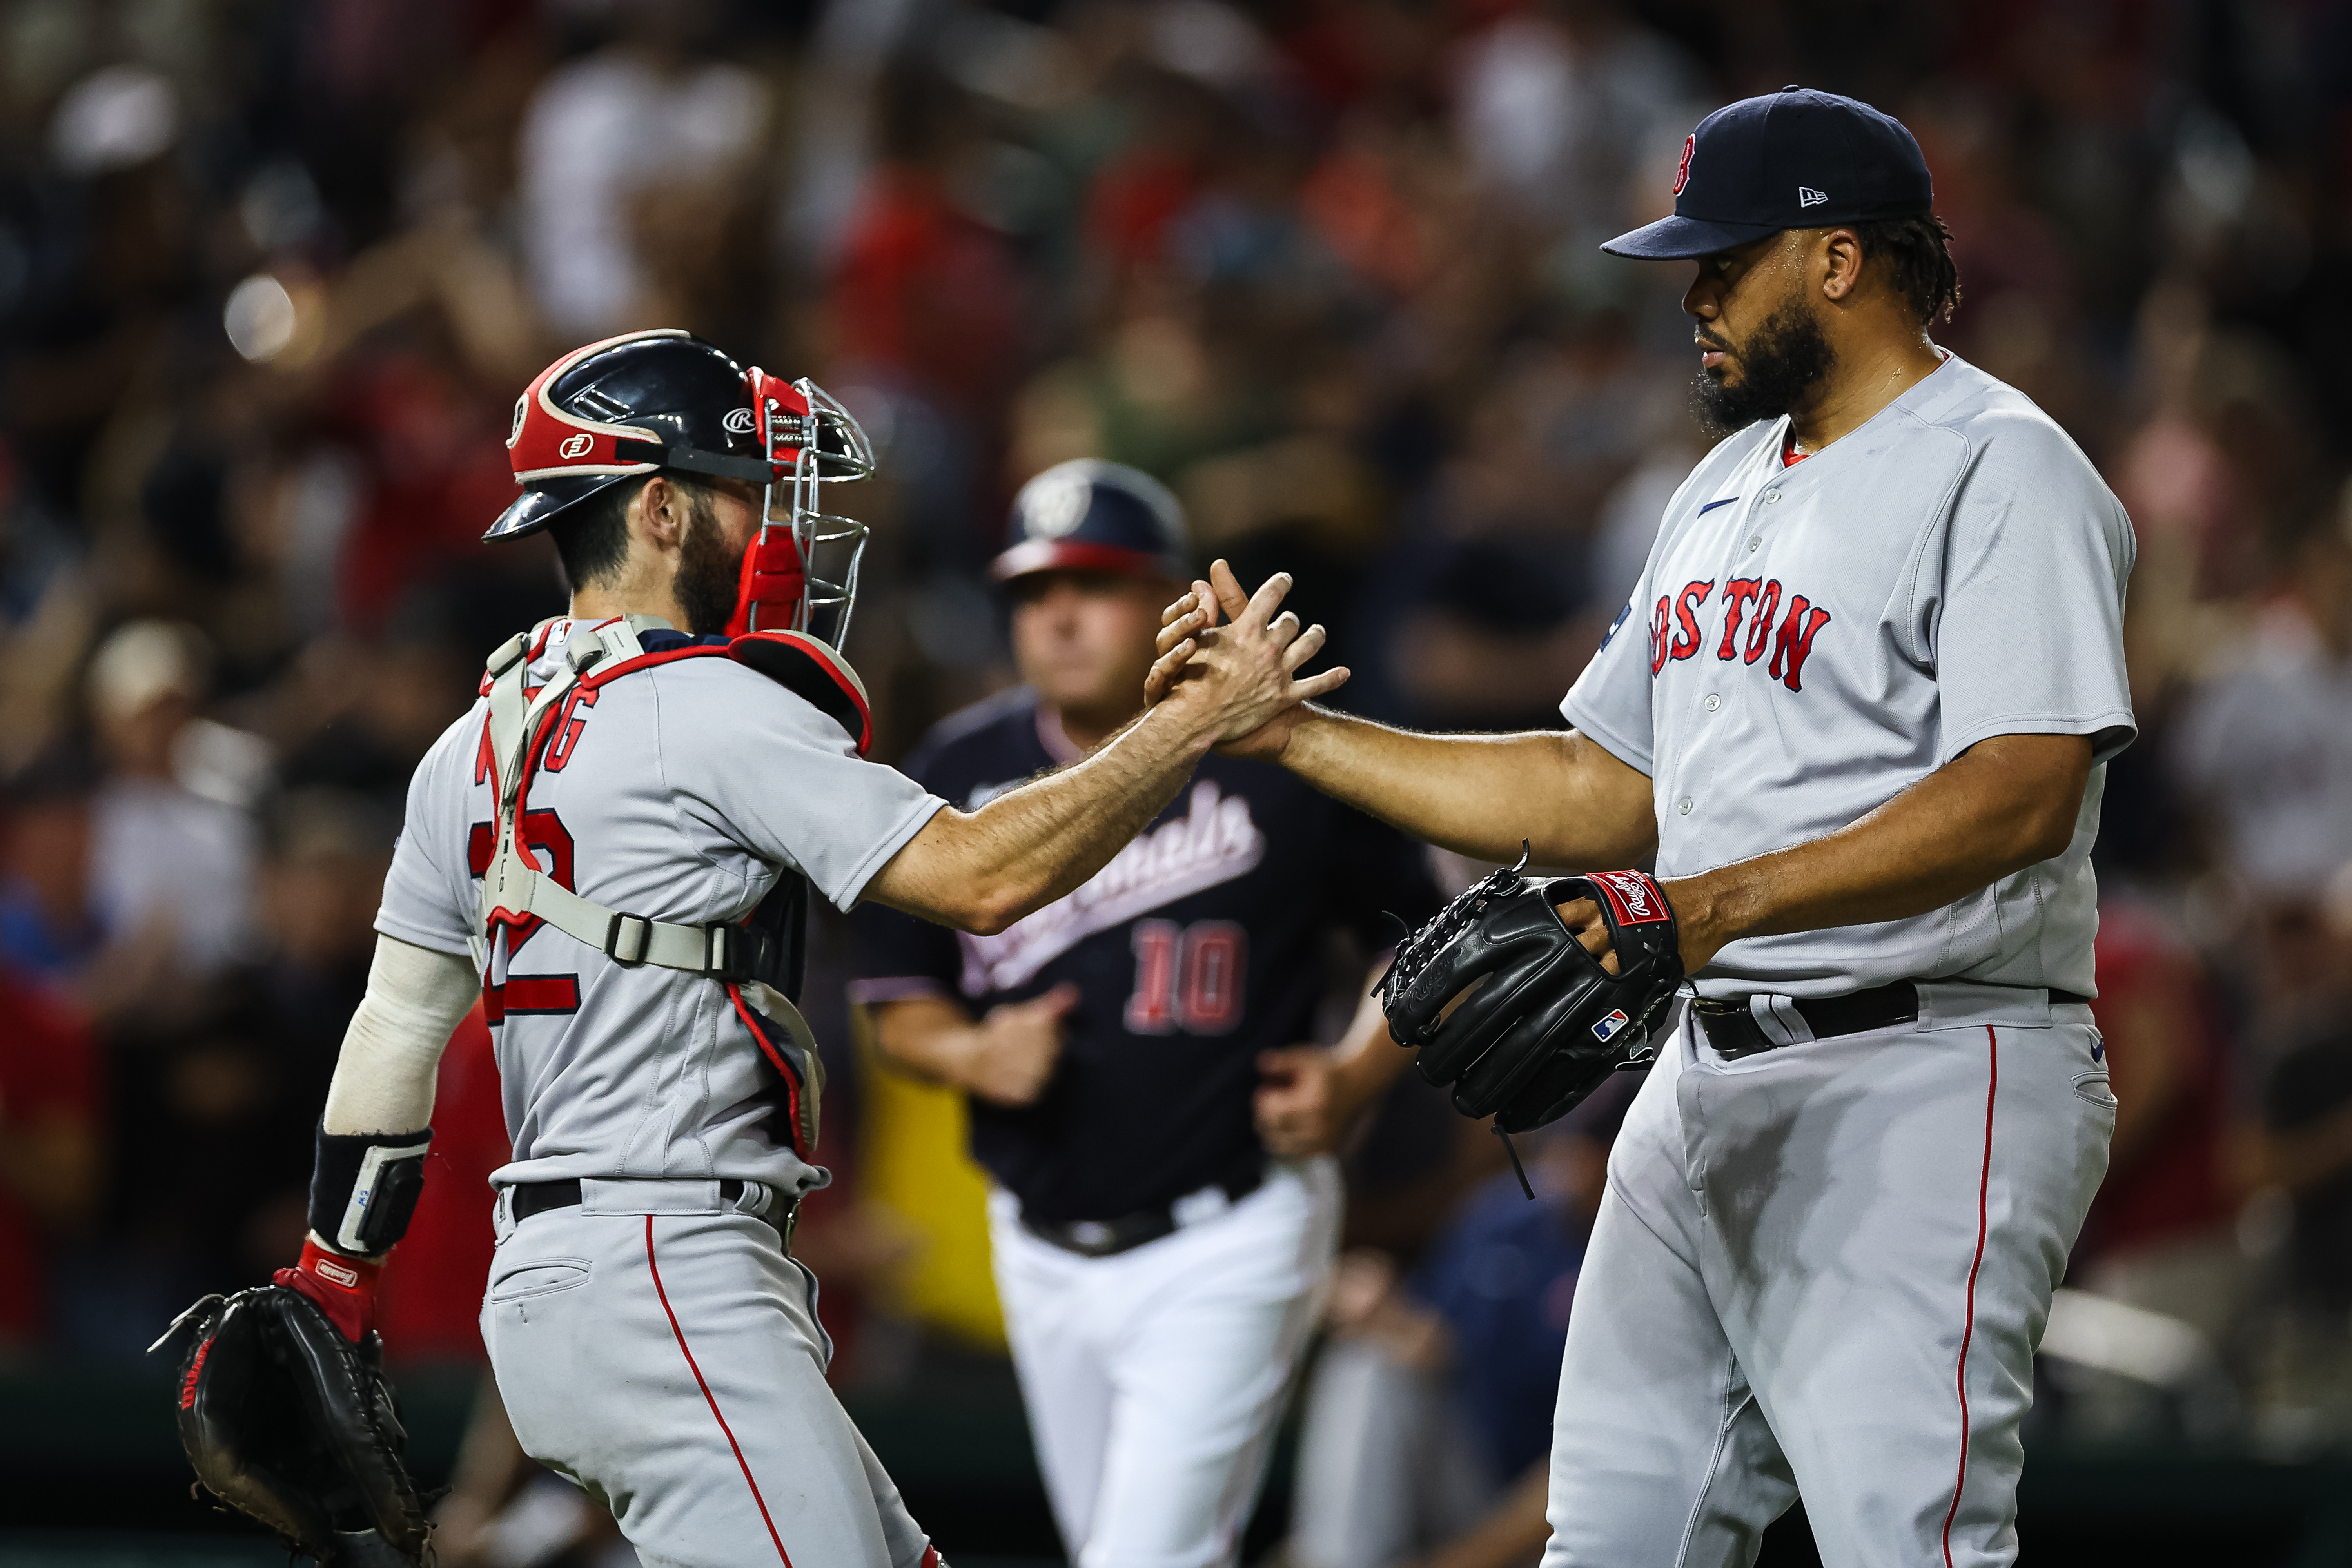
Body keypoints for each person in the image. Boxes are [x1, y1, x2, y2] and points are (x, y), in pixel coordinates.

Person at [1153, 88, 2134, 1567]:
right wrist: (1293, 734)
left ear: (1840, 260)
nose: (1693, 298)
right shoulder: (1722, 486)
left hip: (1935, 1067)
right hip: (1703, 1071)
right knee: (1610, 1538)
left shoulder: (2003, 467)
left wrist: (1701, 911)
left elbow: (2022, 788)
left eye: (1723, 262)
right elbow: (1598, 788)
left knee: (1905, 1542)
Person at [255, 330, 1341, 1568]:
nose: (776, 526)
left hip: (566, 1281)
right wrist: (1195, 724)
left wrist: (335, 1278)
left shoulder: (471, 743)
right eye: (744, 488)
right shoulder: (711, 702)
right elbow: (983, 880)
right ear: (660, 509)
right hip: (669, 1268)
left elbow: (396, 1026)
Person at [850, 460, 1440, 1568]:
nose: (1061, 615)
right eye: (1034, 592)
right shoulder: (958, 771)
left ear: (1169, 594)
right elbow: (895, 1005)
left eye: (1098, 583)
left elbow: (1426, 934)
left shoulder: (1275, 754)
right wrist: (971, 1051)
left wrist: (1359, 1071)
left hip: (1234, 1227)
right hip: (1039, 1243)